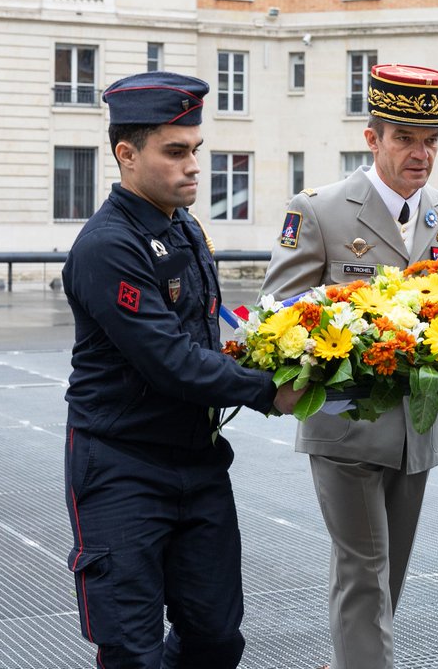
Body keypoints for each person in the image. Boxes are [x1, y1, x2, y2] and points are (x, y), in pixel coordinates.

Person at [62, 71, 301, 669]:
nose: (194, 165)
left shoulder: (184, 227)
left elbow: (206, 333)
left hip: (197, 462)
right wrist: (270, 391)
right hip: (122, 468)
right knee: (134, 652)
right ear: (126, 153)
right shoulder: (108, 246)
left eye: (196, 149)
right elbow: (169, 360)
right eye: (175, 151)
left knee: (216, 639)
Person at [260, 64, 438, 669]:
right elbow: (281, 309)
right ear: (372, 137)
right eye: (405, 138)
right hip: (344, 424)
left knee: (386, 572)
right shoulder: (320, 209)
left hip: (417, 428)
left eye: (431, 140)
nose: (421, 153)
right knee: (365, 570)